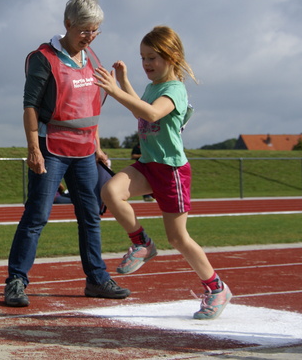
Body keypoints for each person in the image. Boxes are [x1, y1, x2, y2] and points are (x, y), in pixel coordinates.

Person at [93, 26, 231, 320]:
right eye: (143, 57)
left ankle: (216, 288)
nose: (146, 64)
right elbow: (139, 110)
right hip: (148, 164)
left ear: (173, 57)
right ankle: (142, 243)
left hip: (170, 170)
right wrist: (125, 82)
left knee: (178, 239)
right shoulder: (153, 87)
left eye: (152, 57)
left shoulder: (175, 90)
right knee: (110, 191)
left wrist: (115, 90)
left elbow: (153, 114)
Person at [4, 0, 130, 307]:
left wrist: (98, 148)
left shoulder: (93, 60)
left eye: (95, 31)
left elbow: (90, 108)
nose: (90, 37)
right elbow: (30, 105)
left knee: (90, 216)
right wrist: (34, 148)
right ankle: (16, 281)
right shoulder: (43, 58)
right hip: (53, 150)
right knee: (36, 216)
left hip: (86, 152)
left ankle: (97, 278)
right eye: (84, 30)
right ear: (68, 24)